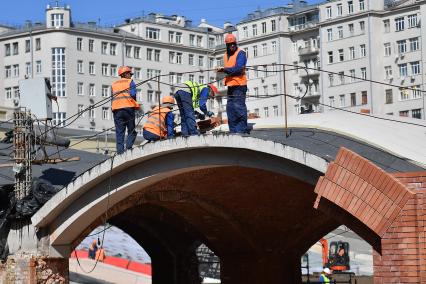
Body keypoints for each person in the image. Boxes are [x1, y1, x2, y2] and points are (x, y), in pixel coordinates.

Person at [216, 33, 248, 134]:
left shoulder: (241, 53)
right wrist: (222, 70)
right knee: (230, 109)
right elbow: (229, 69)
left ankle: (242, 131)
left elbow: (239, 69)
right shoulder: (225, 55)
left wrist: (224, 69)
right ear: (227, 45)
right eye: (230, 44)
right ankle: (233, 131)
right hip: (231, 86)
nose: (232, 46)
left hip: (239, 85)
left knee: (239, 107)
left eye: (233, 44)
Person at [111, 66, 140, 154]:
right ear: (125, 74)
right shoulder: (130, 82)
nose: (131, 76)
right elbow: (133, 94)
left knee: (119, 132)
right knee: (131, 130)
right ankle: (128, 148)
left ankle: (120, 152)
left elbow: (112, 97)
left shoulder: (114, 84)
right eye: (130, 74)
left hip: (117, 110)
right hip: (128, 109)